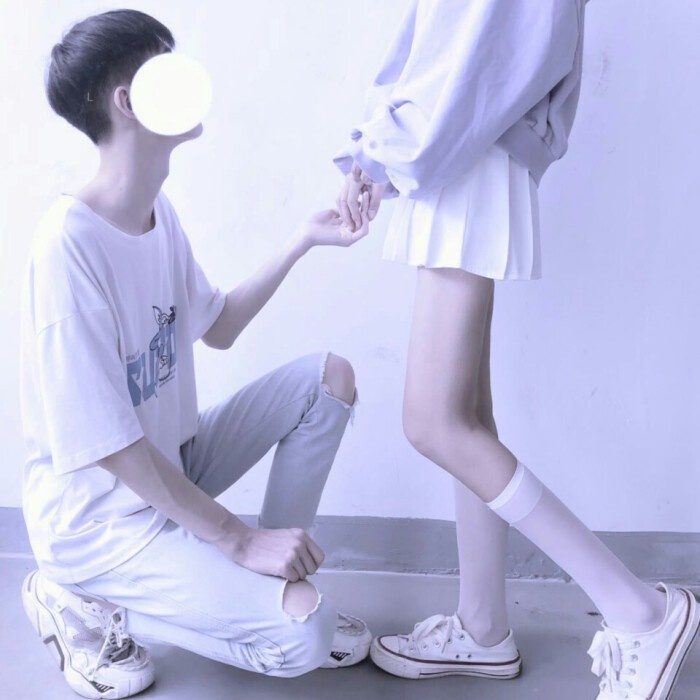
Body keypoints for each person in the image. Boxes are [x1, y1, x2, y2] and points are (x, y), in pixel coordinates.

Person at [335, 1, 699, 698]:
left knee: (434, 422)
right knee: (465, 415)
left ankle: (639, 610)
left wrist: (380, 151)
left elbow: (470, 55)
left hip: (461, 148)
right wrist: (376, 149)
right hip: (463, 147)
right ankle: (483, 627)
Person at [20, 10, 373, 699]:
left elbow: (220, 327)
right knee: (306, 635)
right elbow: (110, 445)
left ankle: (276, 577)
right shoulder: (67, 245)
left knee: (328, 379)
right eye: (166, 64)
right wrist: (234, 539)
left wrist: (303, 240)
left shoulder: (159, 214)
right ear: (128, 101)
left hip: (170, 463)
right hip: (101, 522)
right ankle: (77, 597)